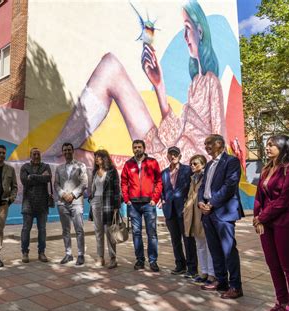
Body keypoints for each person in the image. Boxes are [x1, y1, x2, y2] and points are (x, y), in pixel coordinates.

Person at [44, 0, 224, 168]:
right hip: (162, 149)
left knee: (82, 159)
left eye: (187, 28)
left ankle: (50, 158)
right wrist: (159, 85)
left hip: (170, 164)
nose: (185, 37)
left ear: (199, 31)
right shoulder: (194, 85)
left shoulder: (212, 82)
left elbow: (219, 141)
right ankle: (53, 152)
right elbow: (173, 135)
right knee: (110, 66)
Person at [253, 135, 289, 311]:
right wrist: (257, 218)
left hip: (286, 223)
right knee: (273, 264)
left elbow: (284, 200)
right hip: (266, 224)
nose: (267, 147)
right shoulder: (266, 169)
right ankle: (281, 301)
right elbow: (258, 197)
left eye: (272, 145)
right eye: (267, 144)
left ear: (284, 147)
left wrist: (262, 217)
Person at [198, 134, 244, 299]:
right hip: (207, 214)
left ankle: (235, 286)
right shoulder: (209, 164)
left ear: (219, 143)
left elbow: (230, 185)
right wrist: (200, 202)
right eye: (205, 143)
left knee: (228, 249)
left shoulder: (231, 161)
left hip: (223, 212)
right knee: (215, 249)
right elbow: (203, 187)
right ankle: (221, 281)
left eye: (209, 143)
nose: (206, 146)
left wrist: (211, 204)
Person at [121, 140, 162, 272]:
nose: (137, 149)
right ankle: (140, 260)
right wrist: (127, 199)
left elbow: (158, 181)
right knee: (136, 233)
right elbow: (124, 182)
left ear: (144, 148)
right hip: (133, 205)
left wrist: (155, 199)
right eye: (135, 147)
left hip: (148, 203)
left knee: (152, 233)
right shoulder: (128, 164)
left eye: (139, 147)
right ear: (132, 149)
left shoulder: (152, 162)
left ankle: (153, 261)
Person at [160, 146, 196, 278]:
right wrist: (163, 200)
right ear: (168, 156)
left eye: (175, 154)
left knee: (188, 239)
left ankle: (192, 268)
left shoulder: (187, 170)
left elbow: (194, 186)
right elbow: (162, 189)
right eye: (171, 154)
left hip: (184, 210)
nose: (173, 156)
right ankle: (180, 265)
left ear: (180, 156)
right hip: (170, 211)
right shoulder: (163, 173)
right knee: (175, 240)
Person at [183, 154, 215, 285]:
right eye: (191, 164)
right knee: (200, 245)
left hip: (203, 214)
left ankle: (212, 274)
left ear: (203, 164)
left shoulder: (206, 177)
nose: (192, 166)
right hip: (192, 216)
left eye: (195, 163)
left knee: (209, 246)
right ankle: (204, 272)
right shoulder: (193, 178)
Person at [54, 143, 88, 266]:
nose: (67, 152)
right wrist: (63, 194)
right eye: (65, 150)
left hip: (76, 202)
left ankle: (80, 254)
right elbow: (56, 184)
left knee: (79, 229)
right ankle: (68, 254)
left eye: (69, 150)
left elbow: (84, 183)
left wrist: (73, 194)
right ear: (62, 152)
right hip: (62, 203)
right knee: (65, 230)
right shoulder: (59, 168)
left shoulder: (80, 166)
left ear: (73, 151)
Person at [88, 149, 121, 269]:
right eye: (95, 157)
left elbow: (117, 189)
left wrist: (117, 206)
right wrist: (91, 200)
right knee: (98, 231)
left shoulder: (112, 171)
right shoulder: (95, 172)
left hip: (108, 203)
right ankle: (100, 257)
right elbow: (93, 189)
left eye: (99, 157)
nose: (96, 159)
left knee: (109, 231)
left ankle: (113, 258)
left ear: (105, 158)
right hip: (96, 202)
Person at [20, 148, 51, 263]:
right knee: (26, 229)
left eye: (38, 154)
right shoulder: (24, 167)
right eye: (34, 154)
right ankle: (25, 252)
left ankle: (41, 252)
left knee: (42, 230)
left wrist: (32, 176)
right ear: (30, 155)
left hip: (43, 204)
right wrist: (40, 178)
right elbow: (24, 181)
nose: (37, 156)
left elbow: (48, 178)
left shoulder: (46, 166)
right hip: (28, 204)